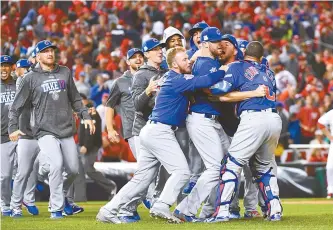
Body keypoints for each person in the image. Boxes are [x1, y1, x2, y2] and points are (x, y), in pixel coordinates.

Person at [96, 46, 227, 224]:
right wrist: (223, 70)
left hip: (152, 130)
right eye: (184, 60)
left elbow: (192, 75)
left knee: (142, 179)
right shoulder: (176, 79)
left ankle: (108, 210)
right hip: (160, 131)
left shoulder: (170, 76)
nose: (188, 62)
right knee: (181, 172)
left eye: (188, 59)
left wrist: (194, 56)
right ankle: (162, 205)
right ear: (174, 64)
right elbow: (206, 80)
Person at [8, 40, 95, 219]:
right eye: (45, 51)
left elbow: (76, 98)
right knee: (56, 164)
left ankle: (60, 194)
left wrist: (85, 116)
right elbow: (16, 107)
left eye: (52, 51)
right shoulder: (30, 78)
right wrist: (13, 128)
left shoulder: (65, 72)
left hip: (66, 129)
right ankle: (56, 208)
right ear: (37, 56)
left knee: (73, 169)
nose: (50, 54)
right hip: (44, 130)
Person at [206, 41, 282, 222]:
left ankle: (223, 211)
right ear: (262, 57)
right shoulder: (269, 72)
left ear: (243, 53)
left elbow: (219, 89)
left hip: (253, 118)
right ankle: (275, 210)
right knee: (265, 168)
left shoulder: (238, 66)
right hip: (274, 119)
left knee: (231, 164)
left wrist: (214, 81)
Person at [10, 59, 40, 217]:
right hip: (25, 135)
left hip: (41, 134)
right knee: (22, 171)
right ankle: (15, 206)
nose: (27, 70)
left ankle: (29, 199)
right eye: (24, 68)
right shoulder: (19, 82)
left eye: (29, 68)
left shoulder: (36, 82)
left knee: (39, 169)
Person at [106, 48, 144, 158]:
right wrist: (110, 129)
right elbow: (109, 106)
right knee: (144, 166)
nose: (138, 59)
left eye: (140, 56)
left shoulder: (149, 77)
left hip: (150, 128)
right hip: (133, 130)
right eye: (134, 57)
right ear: (127, 62)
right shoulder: (120, 82)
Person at [78, 103, 117, 200]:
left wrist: (86, 146)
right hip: (83, 146)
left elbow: (91, 133)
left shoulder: (94, 117)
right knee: (80, 171)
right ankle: (79, 197)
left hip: (92, 147)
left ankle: (110, 185)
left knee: (89, 170)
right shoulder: (84, 118)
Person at [0, 55, 17, 216]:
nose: (4, 68)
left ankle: (18, 202)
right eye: (1, 66)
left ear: (12, 67)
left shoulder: (19, 84)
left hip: (20, 135)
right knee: (5, 175)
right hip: (2, 137)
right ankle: (5, 204)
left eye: (7, 66)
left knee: (26, 171)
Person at [317, 109, 333, 198]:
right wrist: (330, 136)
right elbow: (320, 123)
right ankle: (330, 190)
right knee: (330, 167)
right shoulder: (331, 113)